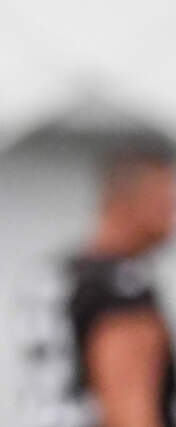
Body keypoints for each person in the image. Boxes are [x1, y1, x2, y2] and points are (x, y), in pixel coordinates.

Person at [68, 138, 176, 426]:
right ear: (127, 202)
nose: (171, 219)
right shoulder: (122, 288)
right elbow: (130, 412)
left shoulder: (59, 275)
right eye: (165, 203)